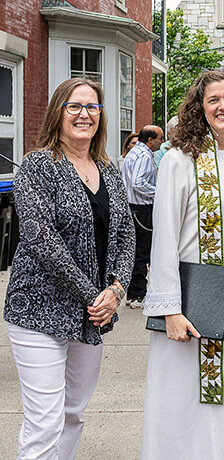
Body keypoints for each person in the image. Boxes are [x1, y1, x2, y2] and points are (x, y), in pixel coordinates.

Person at [140, 70, 224, 459]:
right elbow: (164, 234)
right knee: (187, 405)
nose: (223, 106)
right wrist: (170, 309)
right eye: (214, 99)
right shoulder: (180, 160)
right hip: (193, 304)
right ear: (200, 107)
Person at [3, 77, 135, 459]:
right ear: (58, 112)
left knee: (73, 414)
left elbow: (126, 234)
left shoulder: (109, 169)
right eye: (74, 106)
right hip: (38, 312)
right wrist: (94, 295)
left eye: (92, 107)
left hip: (91, 315)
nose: (84, 115)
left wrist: (116, 289)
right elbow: (43, 240)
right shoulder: (37, 165)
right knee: (45, 420)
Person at [121, 124, 164, 308]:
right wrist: (159, 191)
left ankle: (133, 293)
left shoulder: (133, 153)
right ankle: (138, 294)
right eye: (160, 139)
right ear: (150, 140)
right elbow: (138, 182)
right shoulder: (145, 155)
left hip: (133, 207)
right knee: (142, 253)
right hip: (142, 209)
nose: (162, 142)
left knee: (136, 251)